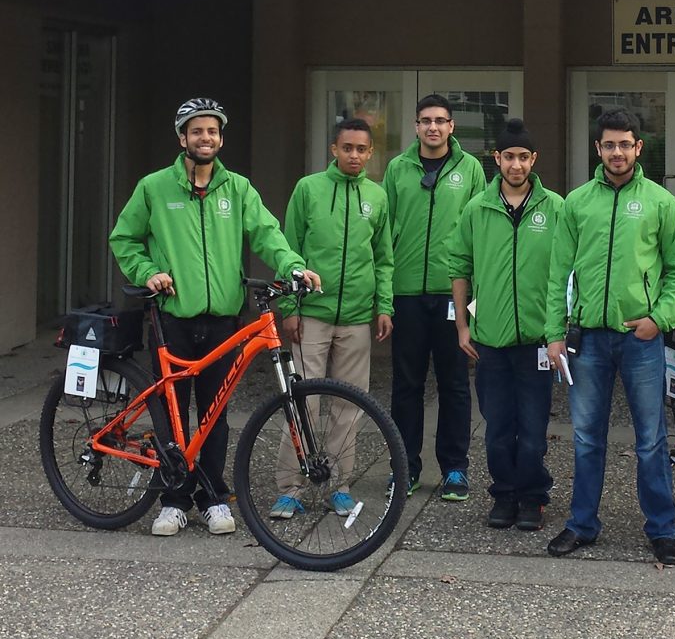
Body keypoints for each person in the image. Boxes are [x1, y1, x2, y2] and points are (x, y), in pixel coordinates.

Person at [109, 98, 321, 537]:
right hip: (173, 318)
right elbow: (124, 238)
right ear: (181, 137)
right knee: (173, 412)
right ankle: (173, 499)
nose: (206, 138)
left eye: (213, 131)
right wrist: (149, 272)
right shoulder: (154, 187)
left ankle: (212, 497)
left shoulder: (238, 189)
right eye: (197, 131)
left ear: (221, 138)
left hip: (223, 318)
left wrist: (292, 267)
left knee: (215, 413)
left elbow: (268, 234)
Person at [545, 108, 675, 566]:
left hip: (640, 339)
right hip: (587, 338)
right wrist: (553, 335)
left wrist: (661, 318)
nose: (617, 152)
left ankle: (662, 529)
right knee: (587, 437)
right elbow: (558, 275)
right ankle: (582, 525)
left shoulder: (659, 202)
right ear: (598, 149)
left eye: (624, 144)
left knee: (650, 438)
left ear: (638, 148)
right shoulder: (577, 203)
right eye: (608, 145)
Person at [269, 117, 394, 519]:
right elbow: (288, 248)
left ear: (370, 153)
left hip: (357, 317)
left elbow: (383, 258)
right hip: (313, 315)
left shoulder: (377, 196)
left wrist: (384, 306)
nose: (354, 155)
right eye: (347, 148)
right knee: (301, 402)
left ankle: (338, 485)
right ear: (333, 150)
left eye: (361, 149)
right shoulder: (308, 189)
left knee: (348, 409)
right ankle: (291, 487)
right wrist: (289, 308)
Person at [448, 118, 563, 531]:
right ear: (496, 159)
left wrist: (559, 331)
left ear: (534, 160)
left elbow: (567, 273)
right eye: (508, 157)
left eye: (523, 157)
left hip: (537, 340)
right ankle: (504, 494)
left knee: (532, 429)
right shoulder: (477, 209)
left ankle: (533, 497)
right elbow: (459, 266)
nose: (516, 165)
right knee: (497, 427)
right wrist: (462, 325)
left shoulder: (556, 208)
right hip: (490, 340)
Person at [384, 93, 486, 501]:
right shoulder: (397, 169)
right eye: (425, 120)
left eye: (440, 120)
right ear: (415, 126)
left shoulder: (472, 169)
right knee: (405, 385)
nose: (433, 127)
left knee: (455, 384)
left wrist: (476, 297)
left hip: (452, 295)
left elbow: (481, 232)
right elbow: (383, 233)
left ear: (451, 126)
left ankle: (455, 469)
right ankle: (404, 466)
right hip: (406, 293)